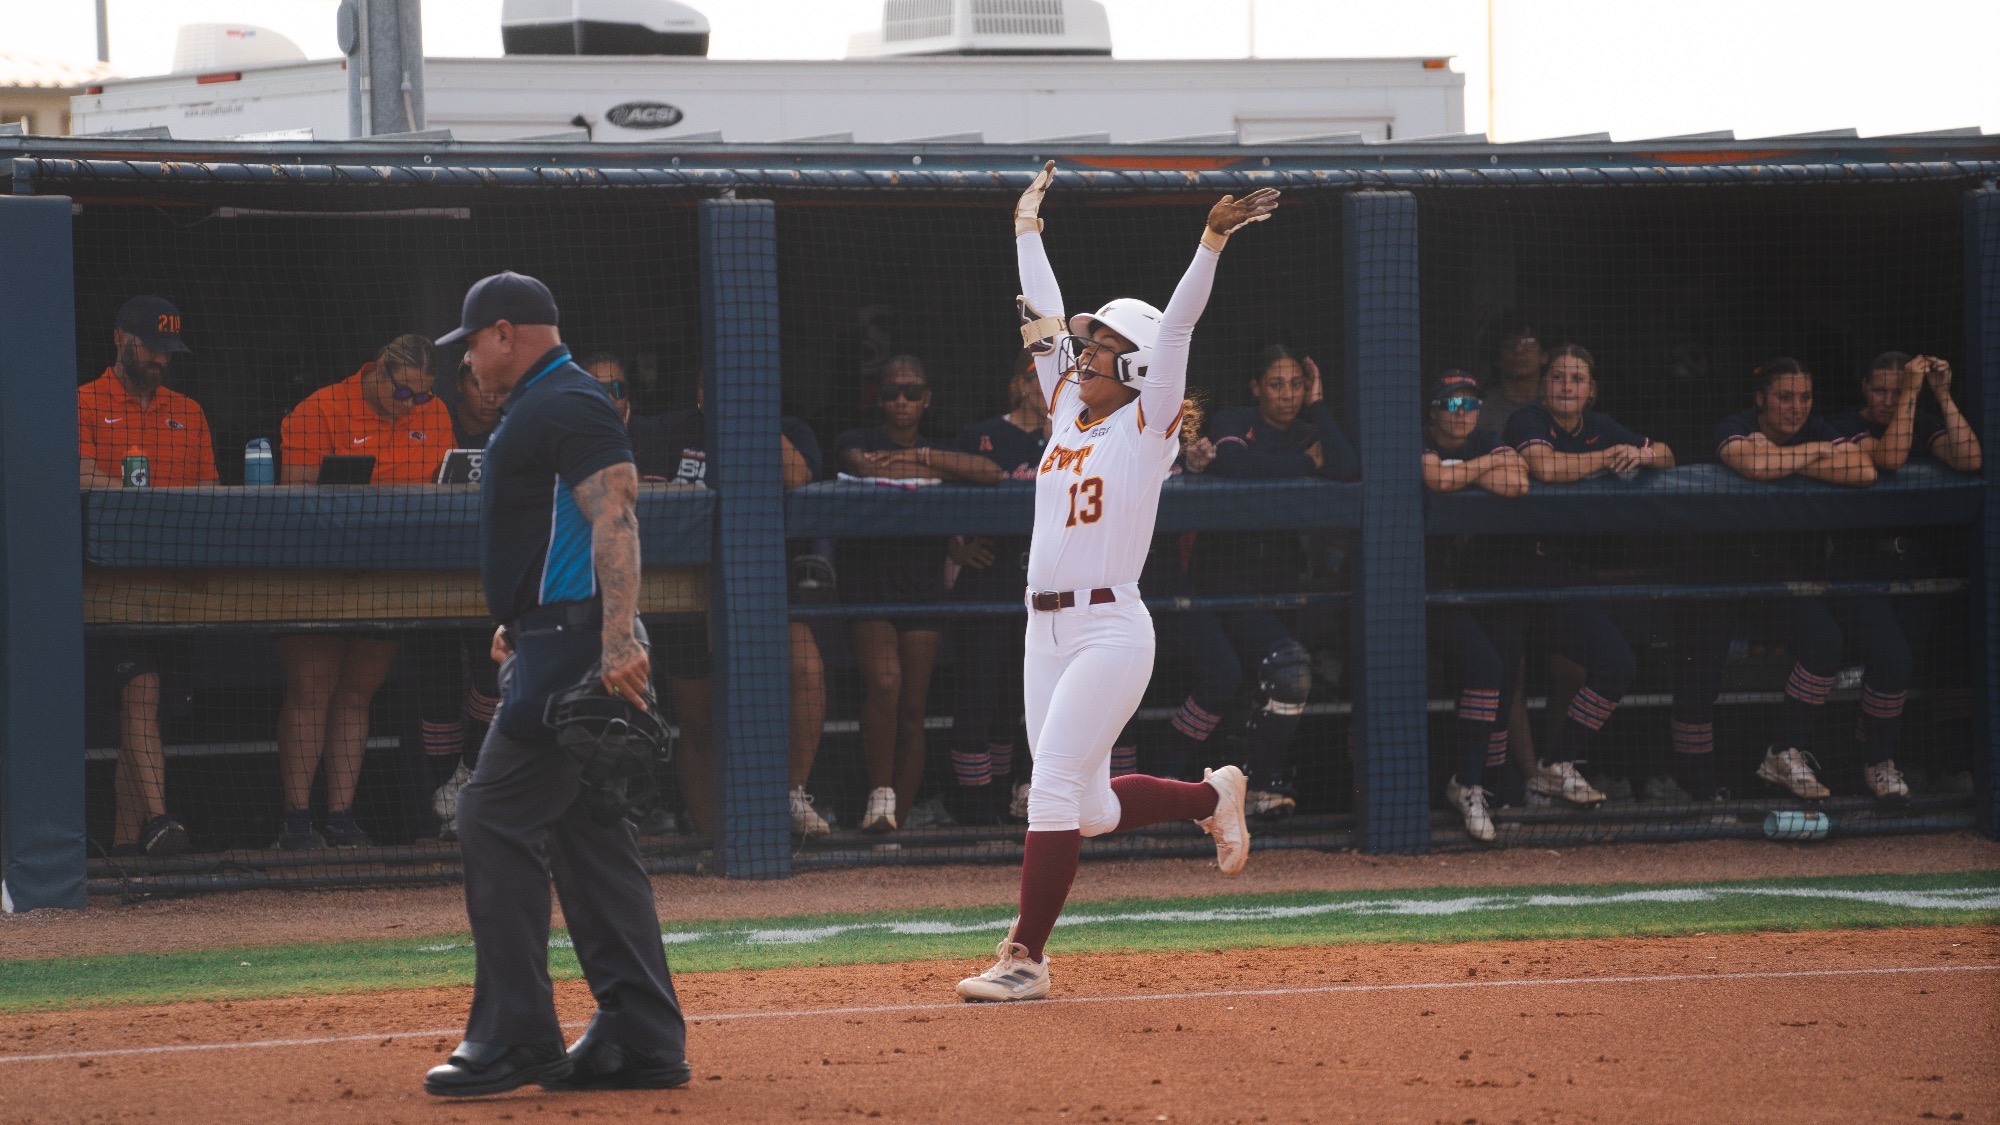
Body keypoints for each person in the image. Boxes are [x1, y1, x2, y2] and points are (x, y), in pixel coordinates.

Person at [955, 161, 1274, 1003]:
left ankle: (1026, 956)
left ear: (1130, 370)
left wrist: (1210, 241)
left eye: (1103, 348)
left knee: (1050, 788)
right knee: (1085, 806)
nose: (1086, 353)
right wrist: (1027, 229)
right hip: (1043, 630)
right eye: (1090, 345)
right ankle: (1214, 792)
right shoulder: (1066, 407)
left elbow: (1174, 333)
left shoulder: (1146, 423)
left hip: (1108, 631)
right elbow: (1046, 318)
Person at [423, 271, 688, 1097]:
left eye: (471, 346)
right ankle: (641, 1036)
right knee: (590, 838)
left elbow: (617, 513)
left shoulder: (564, 401)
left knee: (490, 816)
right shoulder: (546, 405)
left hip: (571, 648)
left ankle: (511, 1036)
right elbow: (563, 529)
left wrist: (613, 641)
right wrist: (525, 612)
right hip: (554, 634)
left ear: (505, 332)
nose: (467, 364)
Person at [629, 380, 833, 838]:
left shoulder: (787, 428)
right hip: (684, 593)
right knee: (699, 722)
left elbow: (799, 476)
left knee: (806, 670)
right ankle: (708, 838)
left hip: (763, 590)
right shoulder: (670, 430)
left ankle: (793, 795)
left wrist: (755, 416)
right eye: (710, 384)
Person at [273, 333, 453, 849]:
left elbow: (447, 487)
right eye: (404, 393)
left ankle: (341, 815)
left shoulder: (434, 412)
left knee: (358, 691)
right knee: (313, 687)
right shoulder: (320, 409)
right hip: (316, 575)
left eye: (422, 395)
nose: (413, 405)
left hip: (389, 574)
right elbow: (294, 498)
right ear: (377, 371)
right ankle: (296, 819)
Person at [1669, 358, 1877, 804]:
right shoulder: (1734, 424)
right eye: (1785, 397)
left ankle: (1784, 751)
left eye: (1804, 397)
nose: (1796, 408)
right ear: (1762, 398)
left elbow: (1863, 470)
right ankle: (1699, 792)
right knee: (1700, 677)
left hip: (1771, 572)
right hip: (1712, 566)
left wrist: (1785, 457)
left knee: (1824, 641)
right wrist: (1812, 455)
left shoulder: (1815, 428)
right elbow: (1753, 466)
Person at [1171, 345, 1359, 817]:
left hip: (1274, 590)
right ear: (1256, 388)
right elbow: (1236, 466)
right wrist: (1306, 464)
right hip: (1217, 591)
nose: (1287, 395)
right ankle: (1168, 781)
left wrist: (1320, 406)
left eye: (1297, 384)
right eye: (1276, 384)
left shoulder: (1310, 430)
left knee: (1287, 673)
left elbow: (1347, 467)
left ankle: (1257, 783)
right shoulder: (1234, 420)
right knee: (1233, 677)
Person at [835, 355, 1003, 832]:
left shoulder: (938, 446)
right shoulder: (856, 439)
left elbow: (989, 473)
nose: (902, 401)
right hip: (870, 586)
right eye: (892, 393)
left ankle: (894, 830)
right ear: (878, 397)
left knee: (913, 708)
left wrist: (922, 459)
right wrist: (937, 471)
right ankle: (880, 796)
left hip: (923, 585)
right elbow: (863, 467)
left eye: (912, 392)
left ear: (927, 398)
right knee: (885, 684)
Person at [1499, 344, 1672, 806]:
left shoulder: (1599, 426)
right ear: (1543, 385)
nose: (1567, 387)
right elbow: (1544, 466)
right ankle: (1503, 785)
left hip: (1557, 572)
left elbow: (1669, 455)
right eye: (1557, 377)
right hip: (1506, 570)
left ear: (1591, 390)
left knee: (1617, 664)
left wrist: (1643, 456)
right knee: (1500, 677)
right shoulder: (1527, 420)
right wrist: (1609, 457)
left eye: (1577, 379)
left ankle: (1557, 765)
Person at [78, 296, 216, 855]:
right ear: (120, 340)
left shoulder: (190, 410)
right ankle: (160, 823)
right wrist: (153, 503)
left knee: (148, 719)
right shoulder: (84, 401)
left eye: (168, 351)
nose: (161, 359)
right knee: (141, 694)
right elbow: (82, 474)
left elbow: (210, 491)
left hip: (175, 587)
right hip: (108, 586)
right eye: (151, 348)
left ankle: (122, 857)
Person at [1814, 352, 1982, 801]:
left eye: (1896, 390)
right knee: (1893, 660)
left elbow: (1969, 458)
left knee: (1900, 670)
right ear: (1863, 387)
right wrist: (1910, 390)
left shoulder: (1921, 419)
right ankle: (1877, 763)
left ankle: (1867, 763)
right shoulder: (1837, 425)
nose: (1888, 400)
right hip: (1858, 566)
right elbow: (1889, 458)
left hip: (1913, 566)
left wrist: (1941, 394)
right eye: (1879, 390)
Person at [1420, 372, 1529, 840]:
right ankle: (1463, 783)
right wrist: (1484, 469)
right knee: (1480, 666)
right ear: (1434, 410)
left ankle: (1471, 784)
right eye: (1451, 404)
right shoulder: (1420, 436)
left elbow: (1519, 482)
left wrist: (1468, 469)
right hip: (1408, 592)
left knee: (1494, 665)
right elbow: (1434, 479)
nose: (1460, 413)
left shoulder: (1485, 438)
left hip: (1463, 587)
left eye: (1469, 404)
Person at [944, 349, 1049, 824]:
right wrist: (954, 547)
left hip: (1041, 588)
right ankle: (975, 811)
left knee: (1015, 703)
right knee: (976, 699)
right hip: (987, 580)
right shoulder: (980, 435)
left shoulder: (1069, 438)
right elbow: (938, 490)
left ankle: (1006, 804)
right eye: (1040, 379)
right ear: (1021, 386)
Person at [1477, 317, 1547, 434]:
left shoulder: (1557, 403)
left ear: (1544, 356)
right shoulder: (1481, 408)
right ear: (1497, 359)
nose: (1518, 350)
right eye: (1508, 344)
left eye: (1528, 342)